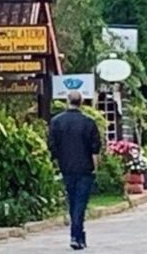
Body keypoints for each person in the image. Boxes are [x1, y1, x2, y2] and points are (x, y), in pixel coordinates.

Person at [48, 90, 102, 251]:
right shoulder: (89, 122)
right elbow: (95, 149)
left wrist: (58, 162)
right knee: (80, 202)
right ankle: (76, 234)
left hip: (66, 167)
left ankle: (77, 234)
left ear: (67, 101)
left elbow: (52, 145)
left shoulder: (56, 122)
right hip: (85, 168)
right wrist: (96, 168)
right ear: (81, 101)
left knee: (72, 200)